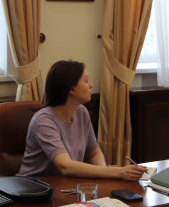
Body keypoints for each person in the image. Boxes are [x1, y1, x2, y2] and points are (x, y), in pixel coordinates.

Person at [18, 60, 146, 180]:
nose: (91, 85)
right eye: (86, 81)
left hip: (66, 185)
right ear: (71, 89)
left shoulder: (81, 112)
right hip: (35, 188)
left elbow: (94, 153)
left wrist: (103, 171)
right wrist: (118, 172)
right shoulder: (44, 120)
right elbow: (65, 166)